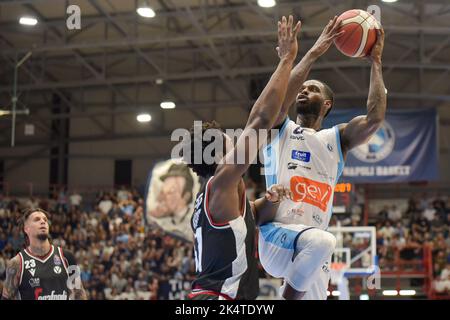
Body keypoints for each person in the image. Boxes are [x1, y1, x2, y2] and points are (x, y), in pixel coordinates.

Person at [259, 16, 386, 299]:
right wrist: (315, 51)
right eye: (303, 89)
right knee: (323, 240)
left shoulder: (336, 138)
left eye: (312, 89)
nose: (304, 90)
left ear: (327, 104)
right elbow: (279, 101)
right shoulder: (282, 128)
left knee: (320, 245)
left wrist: (375, 62)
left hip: (314, 247)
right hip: (276, 236)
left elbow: (375, 119)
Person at [183, 16, 300, 300]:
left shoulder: (217, 193)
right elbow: (260, 120)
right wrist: (286, 59)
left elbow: (252, 216)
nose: (233, 140)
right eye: (227, 138)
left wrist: (271, 201)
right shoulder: (220, 183)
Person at [1, 208, 87, 300]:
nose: (43, 221)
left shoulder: (67, 257)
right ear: (26, 229)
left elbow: (79, 294)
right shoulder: (16, 263)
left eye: (45, 219)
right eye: (37, 219)